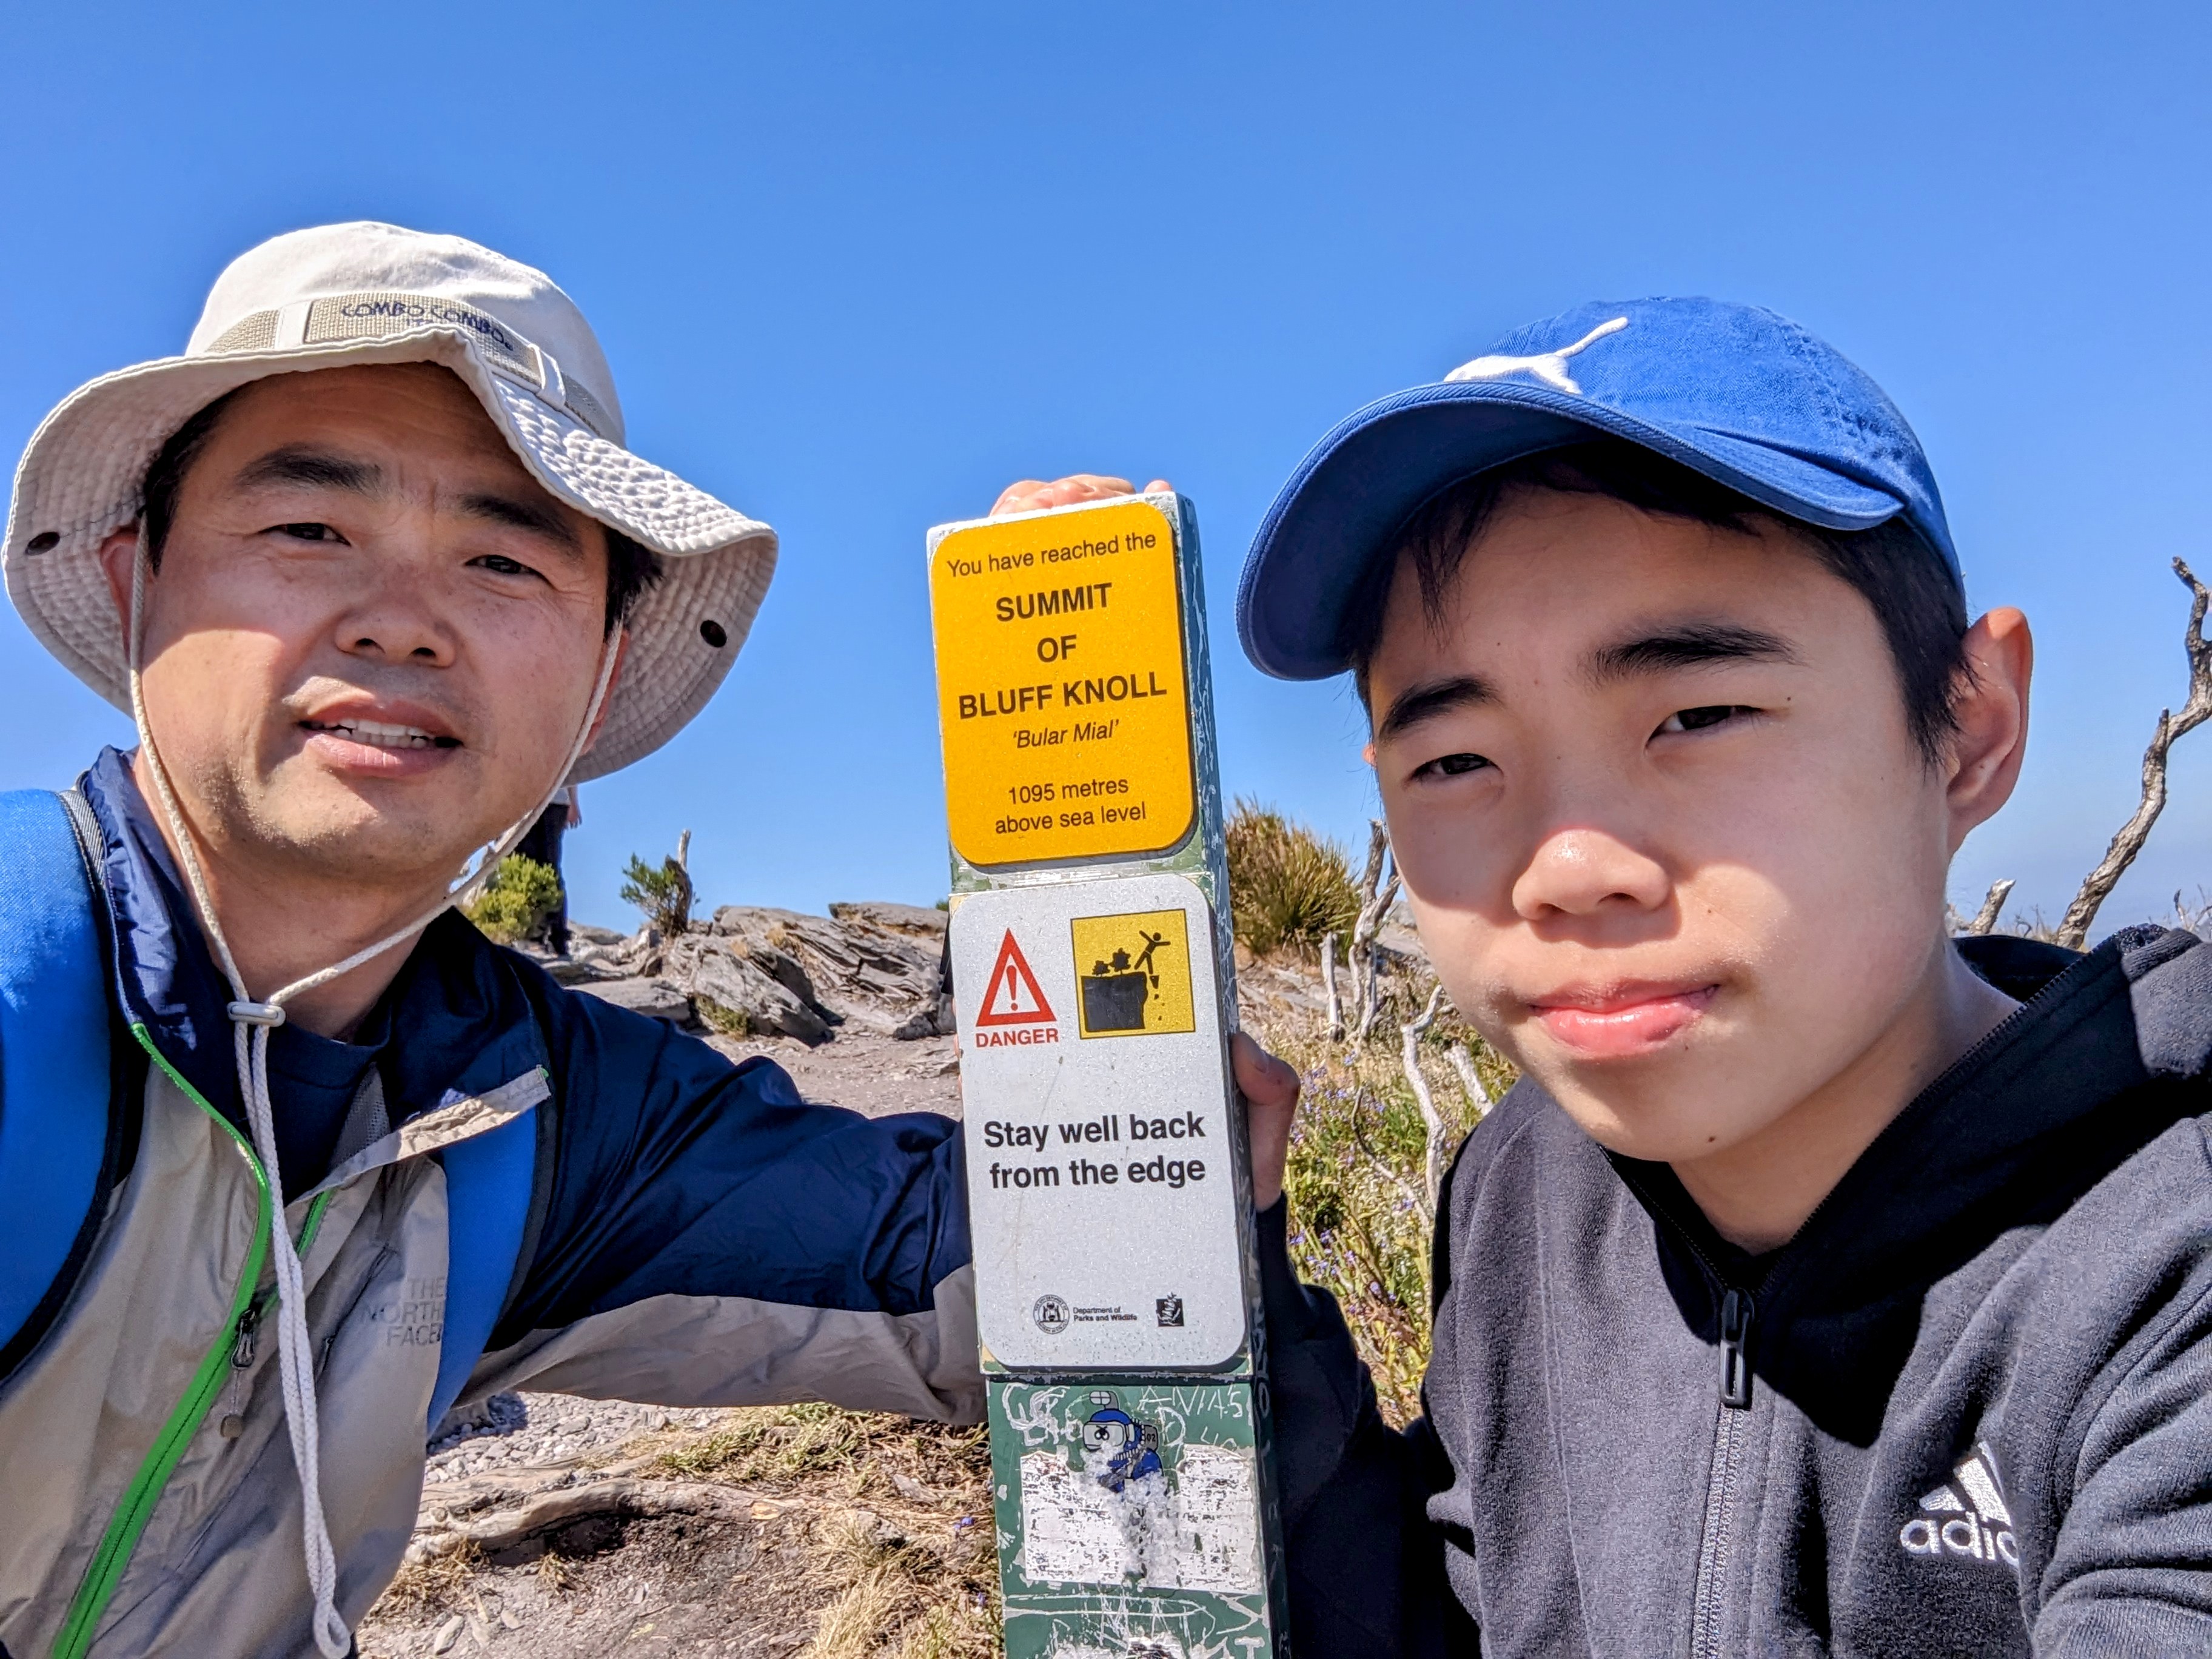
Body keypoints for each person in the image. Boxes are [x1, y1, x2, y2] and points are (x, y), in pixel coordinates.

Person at [1229, 300, 2212, 1653]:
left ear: (1969, 729)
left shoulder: (2164, 1276)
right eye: (1453, 760)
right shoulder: (1526, 1186)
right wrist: (1228, 1292)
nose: (1569, 866)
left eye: (1696, 715)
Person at [514, 783, 579, 954]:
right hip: (525, 802)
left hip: (555, 802)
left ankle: (557, 937)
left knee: (550, 868)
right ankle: (532, 935)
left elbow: (573, 770)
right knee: (525, 865)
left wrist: (573, 802)